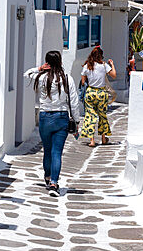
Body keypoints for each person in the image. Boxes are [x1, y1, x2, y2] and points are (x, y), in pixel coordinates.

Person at [25, 50, 81, 196]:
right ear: (60, 61)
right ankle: (54, 183)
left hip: (45, 117)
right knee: (57, 152)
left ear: (47, 62)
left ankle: (48, 176)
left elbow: (26, 74)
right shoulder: (67, 78)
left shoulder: (41, 77)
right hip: (61, 117)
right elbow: (74, 101)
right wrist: (76, 121)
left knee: (47, 150)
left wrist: (39, 68)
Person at [80, 45, 117, 147]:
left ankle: (92, 141)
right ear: (101, 56)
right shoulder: (104, 65)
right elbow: (114, 75)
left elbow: (83, 82)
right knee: (102, 115)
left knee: (90, 116)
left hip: (90, 92)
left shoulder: (87, 66)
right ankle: (104, 139)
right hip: (101, 93)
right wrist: (112, 64)